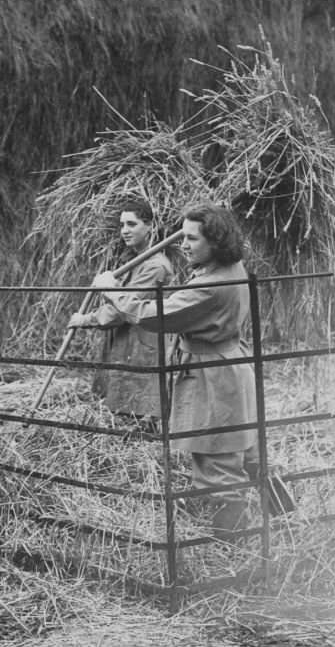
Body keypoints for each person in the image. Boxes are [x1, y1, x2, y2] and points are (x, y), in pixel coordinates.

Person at [89, 204, 258, 540]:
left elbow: (153, 315)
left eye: (192, 238)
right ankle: (266, 528)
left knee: (218, 465)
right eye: (182, 235)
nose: (183, 244)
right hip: (228, 365)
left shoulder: (210, 285)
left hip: (214, 376)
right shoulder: (229, 267)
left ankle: (232, 552)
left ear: (216, 240)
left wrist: (111, 288)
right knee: (242, 454)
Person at [66, 198, 174, 424]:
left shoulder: (155, 266)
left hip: (143, 348)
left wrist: (85, 319)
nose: (124, 230)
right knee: (124, 416)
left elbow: (123, 310)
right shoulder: (135, 262)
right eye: (122, 225)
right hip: (128, 347)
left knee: (140, 418)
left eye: (132, 224)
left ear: (150, 226)